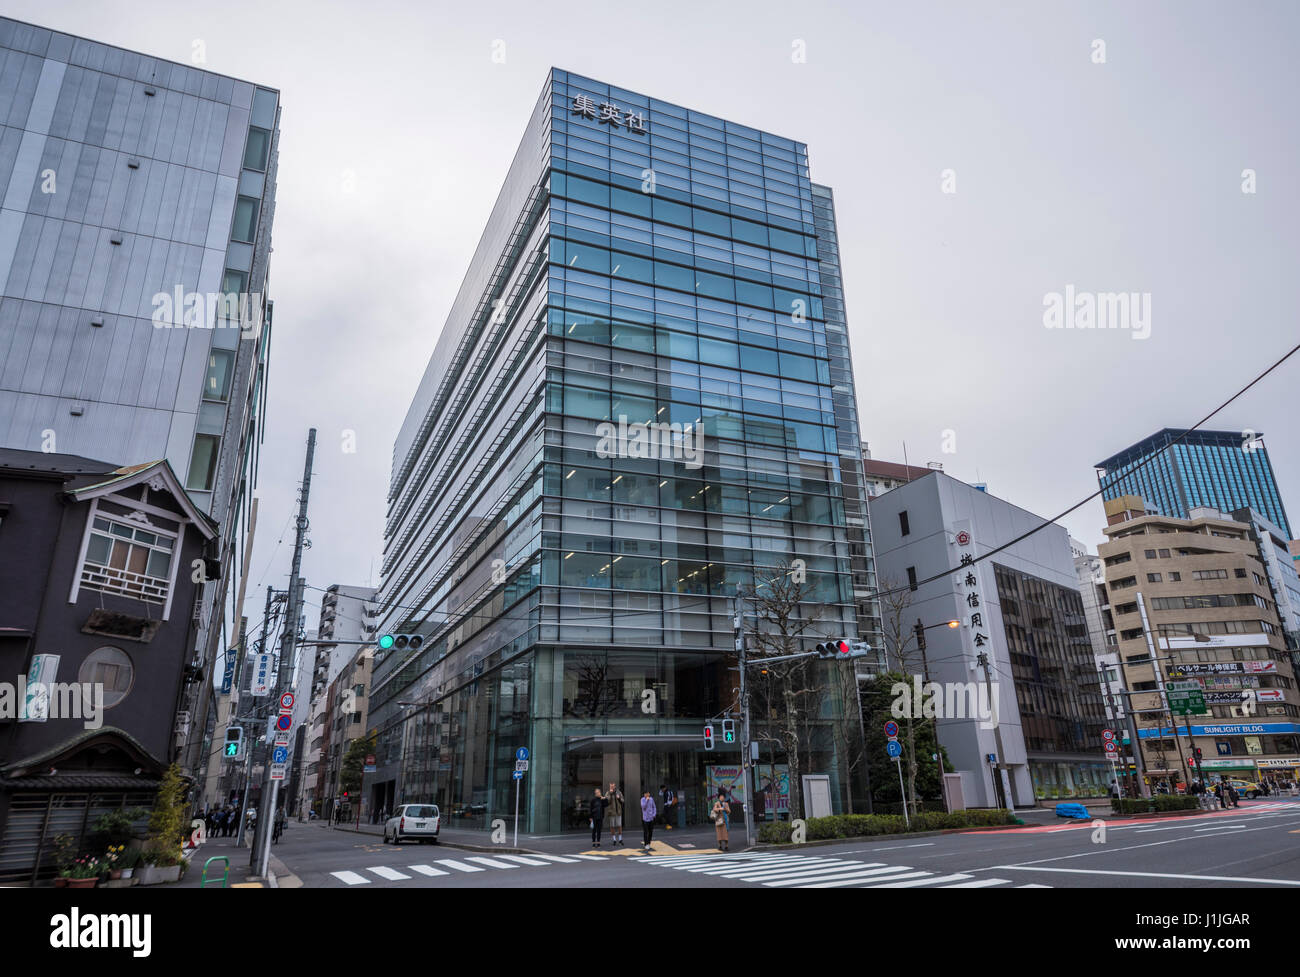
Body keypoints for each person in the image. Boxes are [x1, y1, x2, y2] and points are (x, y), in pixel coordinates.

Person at [605, 782, 625, 847]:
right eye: (611, 786)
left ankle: (620, 839)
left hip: (618, 811)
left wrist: (619, 798)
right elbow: (607, 801)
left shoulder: (618, 792)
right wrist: (610, 794)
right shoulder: (608, 793)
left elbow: (623, 800)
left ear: (615, 786)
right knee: (612, 826)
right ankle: (614, 840)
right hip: (611, 812)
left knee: (619, 826)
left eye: (613, 786)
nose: (612, 787)